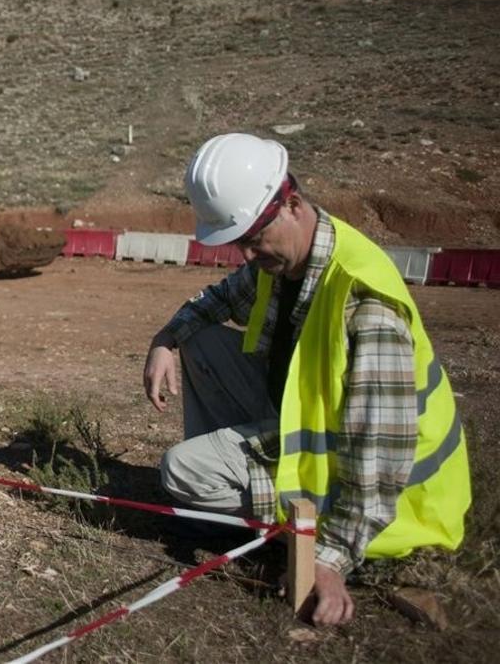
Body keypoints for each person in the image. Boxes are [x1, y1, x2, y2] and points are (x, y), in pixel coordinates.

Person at [143, 133, 470, 627]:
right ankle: (235, 510)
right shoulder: (284, 257)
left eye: (252, 240)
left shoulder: (365, 303)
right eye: (238, 244)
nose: (246, 257)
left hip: (397, 502)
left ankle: (273, 528)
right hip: (315, 431)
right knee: (203, 341)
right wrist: (166, 339)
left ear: (291, 204)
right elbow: (217, 301)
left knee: (182, 471)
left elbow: (379, 458)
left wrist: (330, 559)